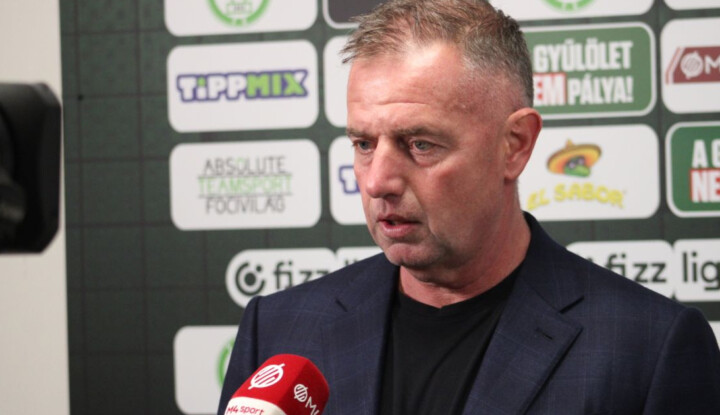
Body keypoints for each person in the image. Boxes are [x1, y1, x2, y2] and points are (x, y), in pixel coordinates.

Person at [218, 1, 720, 414]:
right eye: (364, 143)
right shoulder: (279, 330)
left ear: (515, 145)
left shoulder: (649, 349)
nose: (377, 181)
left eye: (420, 144)